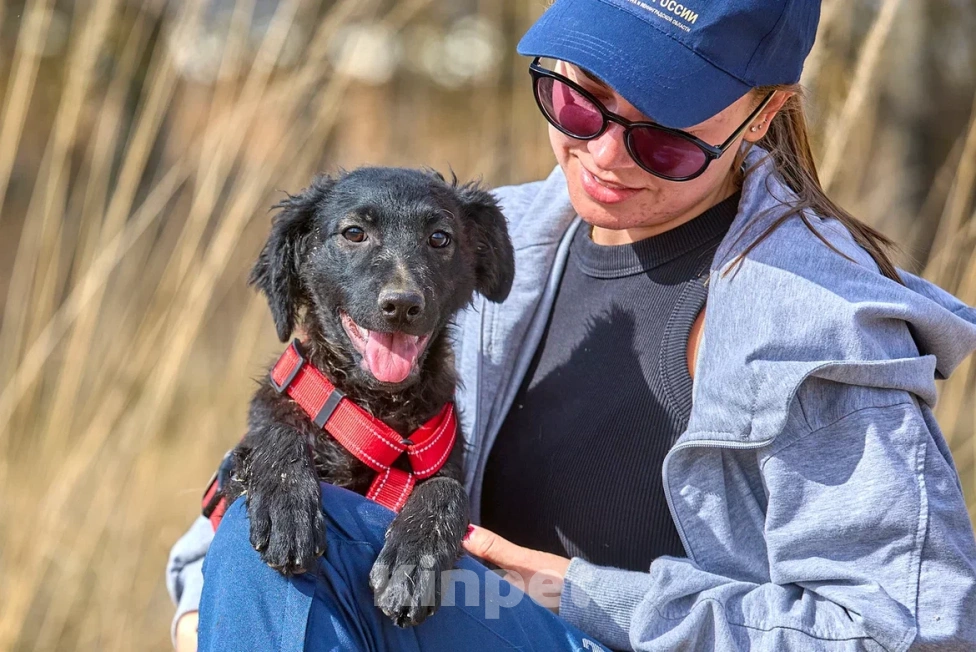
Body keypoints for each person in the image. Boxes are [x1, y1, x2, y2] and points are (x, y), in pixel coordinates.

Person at [166, 0, 976, 649]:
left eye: (664, 139)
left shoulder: (822, 329)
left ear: (763, 115)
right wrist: (201, 598)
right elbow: (292, 478)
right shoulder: (482, 244)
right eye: (578, 100)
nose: (606, 157)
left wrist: (582, 596)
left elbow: (902, 633)